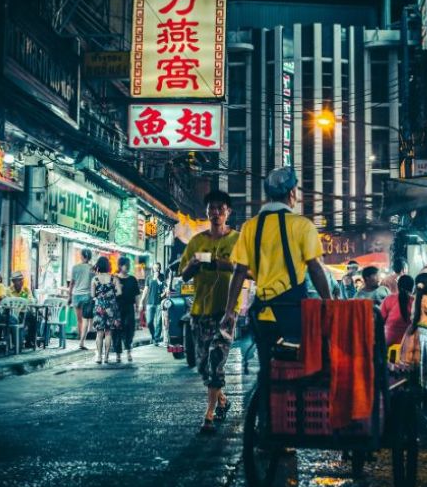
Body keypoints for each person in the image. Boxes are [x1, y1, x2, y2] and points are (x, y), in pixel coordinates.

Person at [221, 167, 331, 430]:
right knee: (297, 368)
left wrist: (229, 312)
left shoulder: (250, 227)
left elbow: (238, 271)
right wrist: (328, 302)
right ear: (293, 193)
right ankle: (291, 421)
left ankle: (268, 425)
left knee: (267, 368)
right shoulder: (301, 225)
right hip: (293, 312)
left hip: (263, 313)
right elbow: (315, 268)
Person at [179, 189, 240, 434]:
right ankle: (223, 400)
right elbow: (183, 274)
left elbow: (248, 269)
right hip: (199, 311)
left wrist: (219, 263)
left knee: (216, 360)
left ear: (228, 212)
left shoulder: (237, 240)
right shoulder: (197, 241)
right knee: (204, 366)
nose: (215, 213)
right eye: (211, 209)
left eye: (220, 208)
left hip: (226, 312)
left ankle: (209, 414)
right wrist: (194, 264)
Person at [91, 256, 122, 364]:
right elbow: (119, 292)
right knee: (108, 333)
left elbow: (92, 295)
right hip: (111, 308)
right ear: (108, 266)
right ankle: (106, 357)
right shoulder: (114, 278)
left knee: (99, 333)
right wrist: (111, 295)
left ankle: (99, 356)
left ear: (98, 266)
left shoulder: (94, 279)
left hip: (99, 308)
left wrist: (100, 296)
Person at [115, 257, 140, 362]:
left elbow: (136, 295)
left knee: (129, 330)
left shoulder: (132, 279)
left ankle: (129, 351)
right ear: (120, 266)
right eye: (126, 264)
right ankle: (118, 354)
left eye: (129, 264)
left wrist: (138, 307)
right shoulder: (115, 279)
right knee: (116, 331)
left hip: (129, 307)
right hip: (117, 308)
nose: (128, 267)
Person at [68, 248, 93, 350]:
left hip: (76, 295)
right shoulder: (92, 268)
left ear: (83, 256)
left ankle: (80, 339)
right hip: (86, 295)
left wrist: (69, 296)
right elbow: (93, 283)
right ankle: (82, 341)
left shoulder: (75, 267)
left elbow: (71, 284)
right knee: (85, 319)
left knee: (79, 320)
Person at [380, 274, 414, 347]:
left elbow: (381, 319)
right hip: (408, 342)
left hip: (389, 339)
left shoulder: (389, 299)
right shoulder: (414, 301)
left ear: (398, 286)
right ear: (412, 288)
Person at [6, 271, 36, 347]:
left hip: (23, 312)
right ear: (13, 282)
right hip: (12, 314)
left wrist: (23, 301)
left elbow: (31, 300)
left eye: (21, 280)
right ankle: (16, 341)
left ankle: (29, 341)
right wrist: (22, 301)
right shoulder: (8, 290)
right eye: (18, 280)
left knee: (33, 318)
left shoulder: (26, 290)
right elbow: (8, 302)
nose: (21, 282)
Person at [140, 262, 165, 345]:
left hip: (159, 302)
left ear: (160, 269)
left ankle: (156, 339)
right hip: (150, 302)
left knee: (158, 322)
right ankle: (153, 336)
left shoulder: (162, 277)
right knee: (149, 322)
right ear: (153, 269)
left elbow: (164, 289)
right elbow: (145, 290)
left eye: (158, 268)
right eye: (155, 268)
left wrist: (157, 279)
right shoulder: (149, 278)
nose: (156, 269)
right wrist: (141, 301)